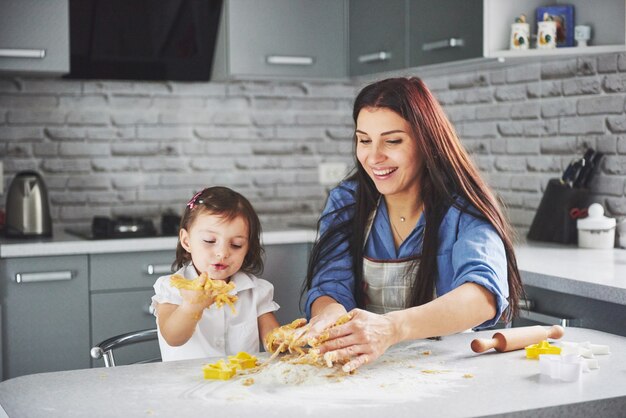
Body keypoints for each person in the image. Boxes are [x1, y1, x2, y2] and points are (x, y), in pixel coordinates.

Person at [302, 77, 524, 372]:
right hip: (368, 370)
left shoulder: (463, 207)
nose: (374, 157)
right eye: (364, 140)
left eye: (392, 141)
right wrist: (331, 313)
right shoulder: (347, 201)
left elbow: (482, 296)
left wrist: (392, 328)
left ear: (426, 140)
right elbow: (330, 282)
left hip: (451, 371)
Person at [151, 186, 280, 361]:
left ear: (248, 248)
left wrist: (288, 339)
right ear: (186, 241)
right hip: (186, 385)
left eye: (236, 245)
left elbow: (273, 339)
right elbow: (173, 337)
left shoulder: (256, 290)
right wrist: (192, 306)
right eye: (209, 241)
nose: (222, 253)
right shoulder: (173, 287)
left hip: (242, 384)